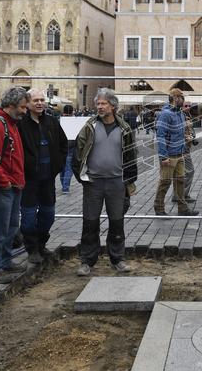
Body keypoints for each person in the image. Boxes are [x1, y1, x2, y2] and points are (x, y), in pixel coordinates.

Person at [73, 88, 138, 275]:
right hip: (93, 183)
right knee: (90, 222)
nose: (100, 107)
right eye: (98, 104)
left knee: (117, 222)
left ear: (113, 106)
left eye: (104, 104)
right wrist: (80, 176)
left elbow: (131, 155)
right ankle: (87, 261)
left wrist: (129, 180)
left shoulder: (124, 128)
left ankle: (117, 259)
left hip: (117, 183)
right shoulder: (89, 126)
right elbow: (77, 152)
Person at [0, 87, 29, 282]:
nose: (25, 111)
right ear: (10, 106)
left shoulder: (11, 122)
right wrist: (5, 182)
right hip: (4, 186)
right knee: (0, 228)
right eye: (23, 107)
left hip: (13, 184)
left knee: (10, 226)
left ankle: (5, 260)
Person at [18, 89, 69, 261]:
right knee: (29, 216)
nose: (39, 103)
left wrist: (59, 164)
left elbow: (63, 144)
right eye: (35, 100)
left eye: (42, 100)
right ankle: (32, 249)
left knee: (48, 214)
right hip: (29, 180)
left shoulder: (52, 121)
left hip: (48, 178)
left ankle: (41, 244)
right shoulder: (21, 123)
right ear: (28, 103)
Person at [154, 89, 199, 216]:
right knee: (165, 182)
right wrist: (163, 156)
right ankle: (159, 208)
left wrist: (187, 139)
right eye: (182, 97)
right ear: (175, 98)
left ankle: (182, 208)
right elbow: (160, 136)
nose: (183, 100)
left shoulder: (179, 113)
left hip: (180, 153)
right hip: (169, 154)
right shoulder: (166, 114)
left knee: (180, 181)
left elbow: (180, 132)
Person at [170, 102, 197, 206]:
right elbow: (178, 132)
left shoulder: (186, 116)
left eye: (189, 106)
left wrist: (192, 137)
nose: (188, 107)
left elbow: (188, 130)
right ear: (181, 106)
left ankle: (178, 195)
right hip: (183, 147)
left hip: (185, 146)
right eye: (186, 106)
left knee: (181, 172)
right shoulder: (180, 117)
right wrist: (188, 138)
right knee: (189, 171)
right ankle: (182, 195)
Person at [60, 104, 76, 194]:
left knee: (62, 167)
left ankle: (63, 184)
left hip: (61, 147)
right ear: (72, 111)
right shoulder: (74, 121)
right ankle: (65, 187)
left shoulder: (60, 120)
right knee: (68, 168)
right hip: (71, 146)